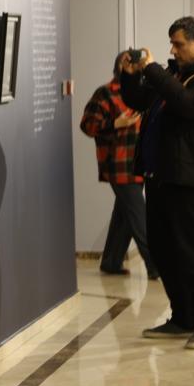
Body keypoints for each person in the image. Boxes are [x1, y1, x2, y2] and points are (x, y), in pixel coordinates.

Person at [120, 16, 194, 350]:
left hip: (190, 178)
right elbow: (139, 101)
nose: (173, 50)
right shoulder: (176, 74)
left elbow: (188, 105)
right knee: (163, 248)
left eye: (178, 44)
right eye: (171, 44)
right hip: (161, 174)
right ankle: (183, 317)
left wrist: (153, 70)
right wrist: (129, 75)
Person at [79, 51, 158, 279]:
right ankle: (156, 266)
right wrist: (115, 123)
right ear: (123, 66)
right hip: (119, 166)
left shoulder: (142, 92)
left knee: (124, 215)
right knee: (140, 217)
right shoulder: (105, 93)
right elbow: (87, 126)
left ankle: (111, 262)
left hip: (139, 164)